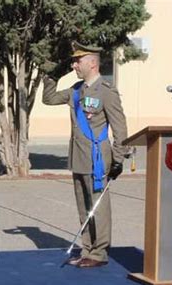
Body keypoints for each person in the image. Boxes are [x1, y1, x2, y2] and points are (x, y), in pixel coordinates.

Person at [42, 41, 128, 268]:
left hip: (98, 158)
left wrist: (118, 159)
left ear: (92, 63)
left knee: (98, 207)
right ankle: (87, 248)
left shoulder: (107, 92)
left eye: (77, 61)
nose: (74, 65)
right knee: (84, 206)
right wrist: (53, 75)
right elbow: (48, 99)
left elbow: (120, 128)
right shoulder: (75, 90)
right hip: (78, 157)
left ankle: (99, 252)